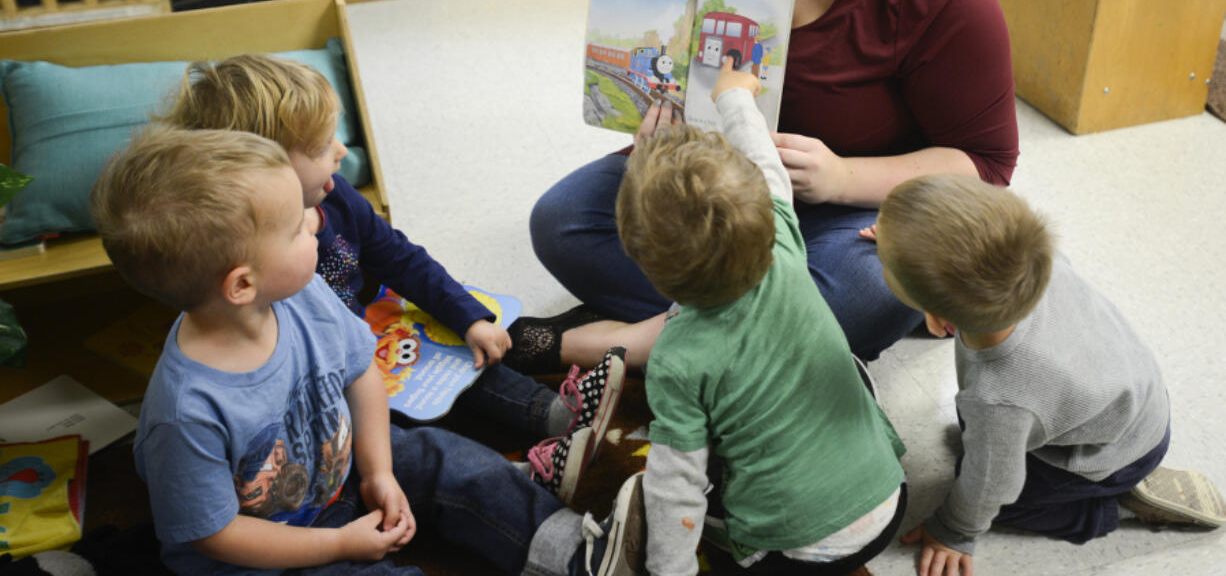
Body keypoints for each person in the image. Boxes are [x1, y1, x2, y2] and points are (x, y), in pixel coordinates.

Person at [520, 0, 1019, 369]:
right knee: (564, 222)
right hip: (720, 179)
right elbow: (656, 81)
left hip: (852, 209)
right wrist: (659, 138)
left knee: (868, 294)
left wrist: (840, 178)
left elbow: (986, 166)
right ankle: (767, 342)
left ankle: (648, 338)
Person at [90, 125, 647, 576]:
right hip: (269, 556)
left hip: (339, 470)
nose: (316, 219)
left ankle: (577, 556)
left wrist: (378, 469)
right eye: (293, 227)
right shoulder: (185, 412)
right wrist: (337, 546)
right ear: (241, 285)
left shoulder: (304, 293)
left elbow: (362, 376)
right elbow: (213, 534)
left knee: (447, 459)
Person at [158, 54, 625, 500]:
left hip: (381, 342)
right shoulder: (255, 274)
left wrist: (468, 319)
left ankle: (557, 415)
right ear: (264, 172)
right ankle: (516, 481)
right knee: (414, 452)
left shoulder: (335, 195)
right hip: (339, 394)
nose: (342, 152)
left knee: (468, 353)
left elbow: (400, 258)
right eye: (322, 147)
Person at [626, 59, 907, 575]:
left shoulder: (676, 358)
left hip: (796, 549)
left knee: (692, 487)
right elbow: (763, 160)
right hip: (888, 498)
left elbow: (675, 488)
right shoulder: (781, 236)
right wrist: (735, 97)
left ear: (648, 272)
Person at [867, 173, 1226, 575]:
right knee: (985, 444)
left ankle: (1105, 507)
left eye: (882, 258)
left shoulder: (998, 400)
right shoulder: (1033, 261)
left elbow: (993, 485)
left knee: (987, 490)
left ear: (936, 320)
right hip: (1136, 401)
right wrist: (905, 242)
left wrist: (954, 529)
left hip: (1105, 455)